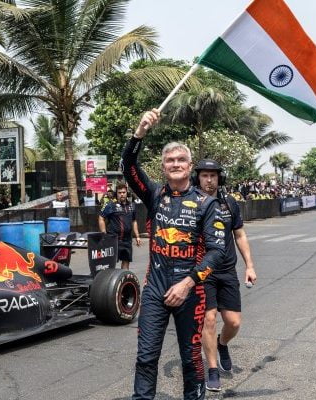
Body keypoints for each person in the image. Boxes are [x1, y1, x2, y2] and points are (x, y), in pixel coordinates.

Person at [124, 109, 226, 400]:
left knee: (191, 360)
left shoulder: (207, 204)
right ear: (163, 166)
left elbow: (217, 253)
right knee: (145, 357)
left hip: (190, 292)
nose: (175, 164)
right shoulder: (155, 195)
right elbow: (128, 167)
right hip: (155, 290)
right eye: (170, 160)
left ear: (190, 165)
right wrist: (140, 131)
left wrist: (188, 283)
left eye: (181, 160)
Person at [193, 160, 257, 392]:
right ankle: (211, 369)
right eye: (204, 175)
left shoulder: (229, 203)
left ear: (220, 178)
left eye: (213, 175)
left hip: (227, 271)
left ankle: (222, 344)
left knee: (233, 322)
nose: (209, 180)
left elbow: (239, 235)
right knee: (208, 320)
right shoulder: (191, 203)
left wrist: (249, 265)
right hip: (202, 272)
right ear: (197, 178)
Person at [98, 183, 141, 270]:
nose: (122, 194)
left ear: (127, 193)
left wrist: (137, 236)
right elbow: (101, 218)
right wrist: (104, 234)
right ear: (116, 193)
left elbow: (134, 221)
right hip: (113, 239)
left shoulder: (132, 205)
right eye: (119, 192)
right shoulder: (110, 205)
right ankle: (109, 282)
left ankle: (123, 282)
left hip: (127, 240)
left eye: (124, 192)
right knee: (110, 263)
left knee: (126, 261)